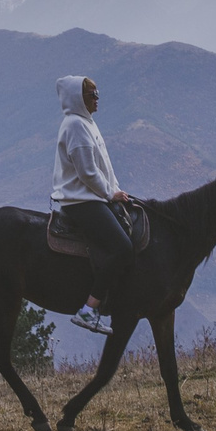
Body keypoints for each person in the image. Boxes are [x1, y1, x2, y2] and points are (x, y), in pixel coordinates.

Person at [53, 74, 139, 314]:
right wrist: (110, 194)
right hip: (81, 200)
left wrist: (116, 190)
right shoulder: (76, 126)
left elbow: (104, 167)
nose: (97, 99)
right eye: (93, 95)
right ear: (78, 98)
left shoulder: (87, 122)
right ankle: (90, 308)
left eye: (97, 94)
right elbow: (88, 173)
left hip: (94, 196)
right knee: (121, 247)